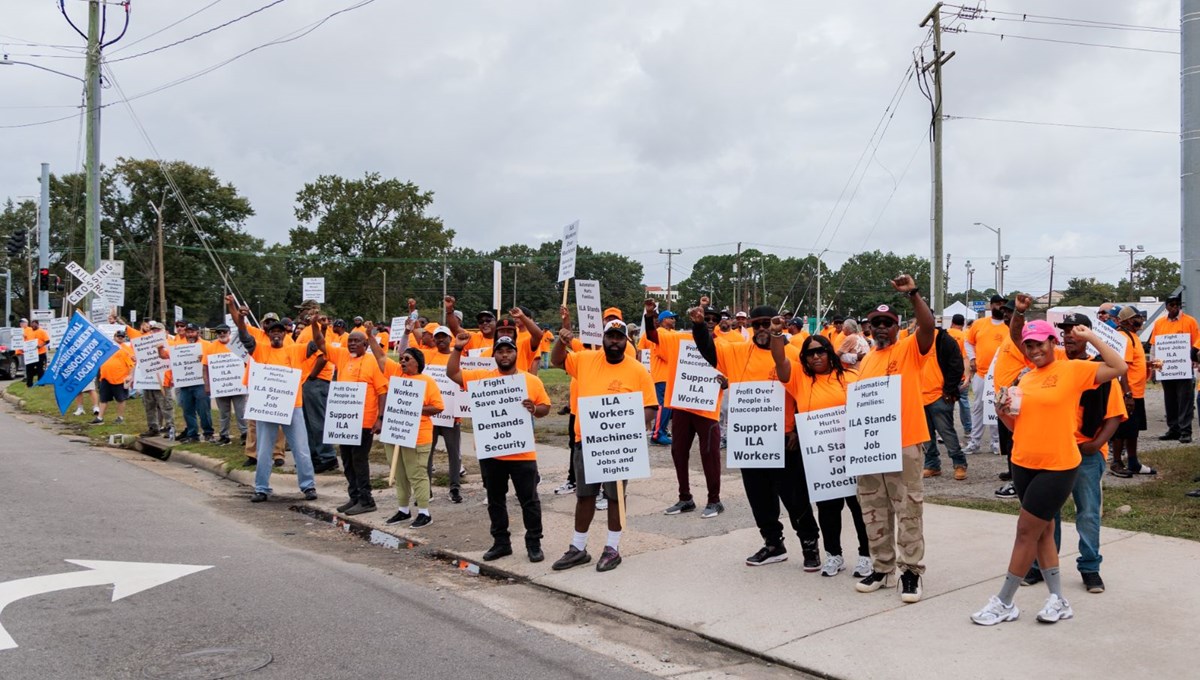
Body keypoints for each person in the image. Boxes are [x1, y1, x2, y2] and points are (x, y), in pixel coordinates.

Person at [970, 295, 1126, 626]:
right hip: (1023, 462)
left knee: (1025, 532)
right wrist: (1003, 411)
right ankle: (1058, 599)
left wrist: (1090, 336)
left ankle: (1004, 601)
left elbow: (1118, 367)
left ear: (1052, 343)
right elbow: (1019, 426)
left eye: (1040, 343)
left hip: (1058, 465)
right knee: (1043, 532)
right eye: (1029, 345)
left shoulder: (1072, 370)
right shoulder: (1026, 378)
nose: (1034, 350)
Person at [692, 302, 821, 567]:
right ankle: (773, 543)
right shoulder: (737, 351)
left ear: (777, 324)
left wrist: (798, 430)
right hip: (750, 440)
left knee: (795, 497)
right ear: (750, 326)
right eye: (757, 324)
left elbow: (806, 394)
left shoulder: (793, 353)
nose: (762, 329)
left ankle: (810, 544)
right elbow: (708, 351)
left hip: (785, 439)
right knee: (759, 497)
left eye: (767, 324)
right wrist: (698, 325)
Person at [1017, 312, 1125, 595]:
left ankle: (1090, 567)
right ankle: (1042, 565)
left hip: (1086, 453)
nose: (1069, 336)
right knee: (1047, 514)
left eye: (1075, 331)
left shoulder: (1089, 370)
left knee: (1087, 512)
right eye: (1064, 331)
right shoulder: (1049, 370)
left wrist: (1095, 444)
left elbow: (1115, 414)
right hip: (1054, 453)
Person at [549, 318, 657, 572]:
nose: (615, 342)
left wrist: (625, 426)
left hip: (618, 445)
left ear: (626, 341)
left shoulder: (638, 370)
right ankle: (578, 548)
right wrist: (561, 342)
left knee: (615, 496)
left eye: (620, 338)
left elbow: (651, 407)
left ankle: (612, 548)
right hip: (586, 441)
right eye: (611, 337)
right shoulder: (585, 359)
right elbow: (557, 360)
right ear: (603, 339)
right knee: (584, 496)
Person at [853, 275, 934, 604]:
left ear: (898, 327)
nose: (882, 328)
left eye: (888, 323)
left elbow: (927, 327)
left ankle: (910, 570)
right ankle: (882, 567)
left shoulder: (910, 349)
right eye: (877, 324)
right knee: (873, 508)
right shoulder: (866, 360)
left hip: (905, 442)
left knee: (908, 508)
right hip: (872, 447)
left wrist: (913, 294)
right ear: (869, 328)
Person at [772, 331, 873, 579]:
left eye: (820, 351)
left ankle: (866, 555)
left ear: (830, 352)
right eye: (810, 353)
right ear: (804, 358)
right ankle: (834, 554)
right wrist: (776, 334)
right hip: (821, 459)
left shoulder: (851, 377)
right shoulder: (800, 380)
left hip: (852, 454)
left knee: (859, 507)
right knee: (828, 508)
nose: (816, 356)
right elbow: (780, 361)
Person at [448, 332, 551, 562]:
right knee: (495, 500)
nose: (505, 355)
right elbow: (453, 373)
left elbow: (545, 407)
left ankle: (534, 543)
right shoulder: (482, 379)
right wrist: (457, 349)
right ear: (494, 355)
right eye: (500, 351)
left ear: (516, 353)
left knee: (529, 501)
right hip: (492, 452)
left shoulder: (530, 381)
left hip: (522, 453)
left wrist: (534, 409)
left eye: (509, 351)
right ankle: (501, 543)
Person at [227, 295, 320, 503]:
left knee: (301, 449)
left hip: (293, 407)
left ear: (285, 333)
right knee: (263, 450)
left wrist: (315, 324)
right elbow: (243, 335)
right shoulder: (259, 350)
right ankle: (261, 488)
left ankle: (308, 486)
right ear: (268, 334)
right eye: (272, 331)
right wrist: (239, 316)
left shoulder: (295, 350)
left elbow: (317, 344)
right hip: (267, 408)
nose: (276, 334)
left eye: (279, 331)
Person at [642, 299, 726, 518]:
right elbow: (652, 336)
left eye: (713, 319)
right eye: (705, 318)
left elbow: (733, 371)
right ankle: (685, 498)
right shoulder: (680, 340)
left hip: (707, 409)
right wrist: (649, 316)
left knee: (709, 454)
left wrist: (728, 382)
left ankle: (714, 500)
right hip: (682, 404)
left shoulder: (724, 345)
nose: (709, 322)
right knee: (678, 452)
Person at [320, 328, 391, 517]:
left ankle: (367, 500)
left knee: (359, 460)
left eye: (356, 341)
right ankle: (355, 497)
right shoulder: (343, 357)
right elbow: (320, 344)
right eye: (350, 340)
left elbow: (382, 391)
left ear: (365, 345)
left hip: (365, 422)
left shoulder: (372, 362)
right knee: (347, 460)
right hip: (344, 421)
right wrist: (316, 326)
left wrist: (380, 418)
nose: (351, 344)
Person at [294, 299, 339, 474]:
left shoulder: (319, 328)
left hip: (316, 380)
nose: (299, 314)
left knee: (317, 421)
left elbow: (323, 355)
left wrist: (312, 376)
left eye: (302, 310)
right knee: (308, 423)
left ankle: (327, 457)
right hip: (306, 380)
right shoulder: (307, 330)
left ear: (311, 311)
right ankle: (314, 457)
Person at [1149, 294, 1199, 444]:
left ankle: (1185, 431)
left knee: (1185, 400)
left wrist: (1194, 360)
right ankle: (1173, 429)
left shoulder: (1190, 321)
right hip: (1166, 368)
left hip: (1184, 367)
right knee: (1169, 400)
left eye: (1177, 304)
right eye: (1171, 305)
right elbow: (1154, 346)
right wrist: (1154, 368)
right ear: (1166, 306)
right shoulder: (1159, 323)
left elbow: (1196, 343)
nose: (1175, 307)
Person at [1110, 306, 1153, 477]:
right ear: (1127, 320)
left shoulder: (1133, 336)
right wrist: (1127, 394)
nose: (1141, 320)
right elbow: (1122, 368)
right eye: (1137, 317)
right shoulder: (1124, 338)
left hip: (1137, 393)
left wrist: (1146, 365)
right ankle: (1116, 462)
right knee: (1122, 430)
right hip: (1129, 393)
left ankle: (1133, 462)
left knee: (1133, 430)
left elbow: (1133, 363)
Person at [921, 323, 967, 480]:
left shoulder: (944, 340)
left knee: (946, 432)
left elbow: (957, 366)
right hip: (919, 397)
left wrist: (949, 389)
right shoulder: (913, 342)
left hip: (940, 396)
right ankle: (932, 465)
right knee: (925, 435)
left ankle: (959, 464)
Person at [965, 295, 1009, 454]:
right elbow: (968, 342)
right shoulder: (979, 323)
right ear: (991, 305)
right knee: (978, 407)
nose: (1000, 306)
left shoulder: (1010, 325)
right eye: (997, 303)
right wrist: (972, 358)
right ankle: (974, 442)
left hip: (1002, 376)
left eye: (1003, 304)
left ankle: (996, 443)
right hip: (982, 374)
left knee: (997, 408)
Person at [204, 324, 249, 445]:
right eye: (219, 332)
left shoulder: (237, 345)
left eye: (224, 331)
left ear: (229, 332)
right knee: (223, 413)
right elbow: (205, 367)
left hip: (238, 385)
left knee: (241, 412)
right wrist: (207, 385)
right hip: (220, 386)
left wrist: (247, 381)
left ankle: (245, 434)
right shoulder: (211, 347)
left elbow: (247, 363)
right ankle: (224, 435)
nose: (222, 334)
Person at [174, 322, 214, 443]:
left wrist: (204, 359)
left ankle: (208, 433)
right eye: (188, 332)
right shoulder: (179, 346)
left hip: (201, 382)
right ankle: (192, 435)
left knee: (203, 410)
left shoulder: (207, 345)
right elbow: (169, 358)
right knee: (188, 410)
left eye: (192, 332)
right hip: (185, 383)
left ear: (198, 332)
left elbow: (215, 361)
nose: (190, 334)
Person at [645, 309, 679, 447]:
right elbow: (667, 355)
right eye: (671, 318)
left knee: (667, 406)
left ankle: (662, 431)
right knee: (663, 406)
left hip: (668, 375)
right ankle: (657, 434)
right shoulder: (660, 333)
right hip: (661, 375)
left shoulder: (671, 334)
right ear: (663, 320)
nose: (674, 320)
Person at [137, 321, 174, 437]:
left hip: (164, 381)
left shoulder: (170, 343)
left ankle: (170, 428)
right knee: (149, 406)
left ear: (165, 332)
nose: (155, 332)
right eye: (153, 330)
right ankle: (153, 428)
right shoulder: (145, 344)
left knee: (166, 406)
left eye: (158, 330)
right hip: (148, 380)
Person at [93, 329, 135, 424]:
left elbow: (132, 364)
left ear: (124, 338)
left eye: (122, 337)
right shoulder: (108, 346)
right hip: (105, 377)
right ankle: (100, 418)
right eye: (118, 336)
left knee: (120, 399)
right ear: (114, 337)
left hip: (119, 378)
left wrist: (130, 376)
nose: (120, 338)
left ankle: (120, 418)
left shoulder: (126, 349)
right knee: (103, 398)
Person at [946, 314, 972, 434]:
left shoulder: (945, 334)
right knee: (964, 402)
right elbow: (966, 358)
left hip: (946, 377)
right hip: (961, 375)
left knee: (947, 403)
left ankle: (946, 430)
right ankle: (968, 429)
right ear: (963, 324)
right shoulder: (964, 336)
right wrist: (967, 376)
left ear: (952, 322)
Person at [22, 319, 50, 388]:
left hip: (40, 353)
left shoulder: (42, 331)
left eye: (35, 325)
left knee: (40, 369)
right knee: (29, 369)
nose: (33, 326)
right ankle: (29, 384)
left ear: (38, 324)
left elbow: (47, 341)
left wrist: (40, 345)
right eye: (32, 325)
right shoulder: (29, 331)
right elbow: (26, 340)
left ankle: (41, 383)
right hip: (30, 354)